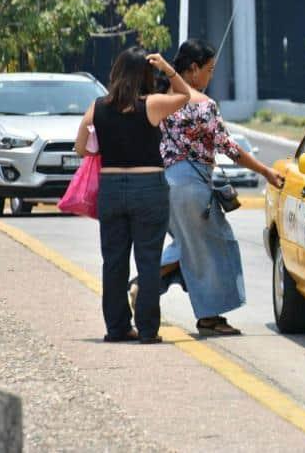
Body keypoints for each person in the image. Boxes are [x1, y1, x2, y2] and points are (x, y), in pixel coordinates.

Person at [137, 38, 283, 336]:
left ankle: (172, 297)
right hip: (192, 187)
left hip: (163, 186)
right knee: (217, 247)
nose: (211, 76)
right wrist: (266, 171)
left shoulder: (159, 99)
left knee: (190, 247)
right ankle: (191, 307)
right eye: (209, 69)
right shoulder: (203, 106)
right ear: (192, 70)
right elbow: (229, 148)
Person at [75, 46, 193, 344]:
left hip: (111, 188)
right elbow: (185, 95)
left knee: (113, 261)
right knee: (148, 260)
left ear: (116, 73)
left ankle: (116, 328)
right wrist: (168, 68)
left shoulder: (97, 107)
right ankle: (148, 330)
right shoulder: (151, 104)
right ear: (145, 75)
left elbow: (81, 148)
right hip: (148, 188)